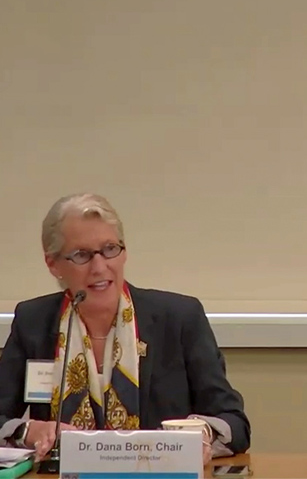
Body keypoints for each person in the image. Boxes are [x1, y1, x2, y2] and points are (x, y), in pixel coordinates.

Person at [0, 194, 250, 463]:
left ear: (124, 252)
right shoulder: (34, 322)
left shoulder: (179, 318)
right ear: (53, 264)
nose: (99, 267)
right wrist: (28, 431)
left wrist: (203, 434)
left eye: (109, 249)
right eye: (82, 255)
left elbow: (233, 422)